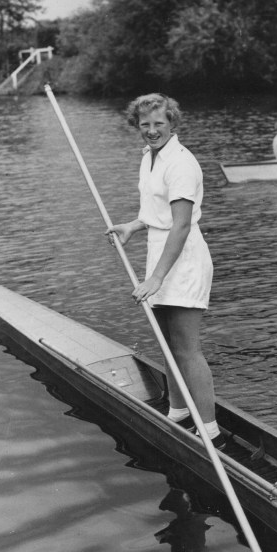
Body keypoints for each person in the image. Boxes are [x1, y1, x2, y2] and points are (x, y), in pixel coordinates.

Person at [106, 93, 225, 449]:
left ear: (172, 121)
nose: (152, 131)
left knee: (187, 349)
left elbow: (181, 225)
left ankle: (211, 432)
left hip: (183, 260)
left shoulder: (182, 163)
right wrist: (132, 225)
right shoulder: (150, 157)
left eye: (159, 123)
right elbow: (155, 213)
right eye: (145, 125)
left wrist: (156, 278)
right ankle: (178, 412)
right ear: (137, 126)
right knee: (167, 345)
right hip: (159, 254)